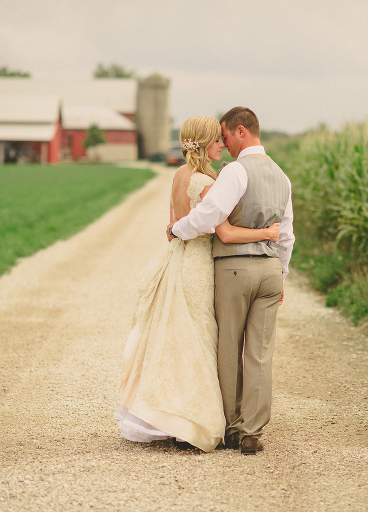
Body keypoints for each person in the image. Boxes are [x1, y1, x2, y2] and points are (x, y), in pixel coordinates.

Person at [113, 115, 279, 453]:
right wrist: (267, 232)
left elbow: (172, 227)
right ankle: (191, 422)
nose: (222, 145)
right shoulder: (206, 181)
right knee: (201, 341)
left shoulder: (179, 175)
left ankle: (174, 418)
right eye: (217, 140)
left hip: (179, 258)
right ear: (203, 144)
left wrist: (179, 232)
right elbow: (225, 232)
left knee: (178, 339)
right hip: (201, 265)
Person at [168, 107, 295, 455]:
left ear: (241, 131)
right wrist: (281, 274)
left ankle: (233, 427)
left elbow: (210, 215)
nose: (224, 143)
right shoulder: (282, 176)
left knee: (229, 348)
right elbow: (286, 235)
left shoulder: (236, 171)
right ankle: (253, 432)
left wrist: (176, 230)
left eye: (225, 136)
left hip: (234, 269)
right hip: (270, 270)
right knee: (260, 353)